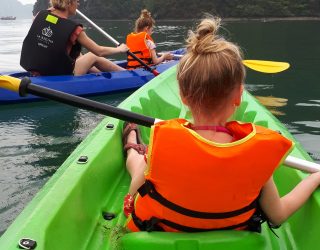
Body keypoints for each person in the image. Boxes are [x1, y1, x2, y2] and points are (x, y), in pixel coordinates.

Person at [121, 16, 320, 233]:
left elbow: (134, 192)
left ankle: (132, 143)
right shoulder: (254, 154)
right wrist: (315, 178)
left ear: (183, 97)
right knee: (144, 161)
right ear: (238, 96)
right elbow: (278, 215)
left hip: (162, 232)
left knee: (139, 161)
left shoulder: (162, 144)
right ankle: (133, 146)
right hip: (233, 241)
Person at [20, 0, 128, 76]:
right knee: (92, 56)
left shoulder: (39, 15)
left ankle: (102, 75)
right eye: (76, 1)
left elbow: (53, 20)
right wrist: (120, 49)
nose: (78, 3)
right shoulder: (75, 30)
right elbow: (99, 51)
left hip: (37, 70)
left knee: (78, 55)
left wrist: (57, 5)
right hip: (58, 75)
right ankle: (128, 74)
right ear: (69, 3)